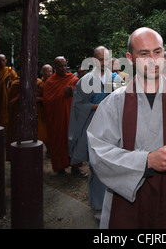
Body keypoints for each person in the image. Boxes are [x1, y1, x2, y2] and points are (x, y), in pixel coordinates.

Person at [86, 27, 166, 229]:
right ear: (130, 58)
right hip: (127, 194)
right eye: (144, 53)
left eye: (157, 52)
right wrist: (146, 161)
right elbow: (98, 151)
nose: (152, 60)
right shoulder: (114, 102)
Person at [69, 46, 123, 219]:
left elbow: (123, 103)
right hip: (92, 128)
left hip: (112, 128)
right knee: (96, 166)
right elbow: (78, 105)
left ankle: (114, 203)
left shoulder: (116, 79)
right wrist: (96, 107)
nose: (104, 62)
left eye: (106, 59)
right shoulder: (84, 81)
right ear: (93, 60)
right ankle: (99, 205)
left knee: (113, 165)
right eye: (100, 59)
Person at [43, 56, 86, 176]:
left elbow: (82, 96)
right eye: (60, 66)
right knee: (58, 142)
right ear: (55, 67)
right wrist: (63, 94)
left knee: (74, 141)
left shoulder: (73, 78)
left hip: (72, 117)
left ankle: (75, 167)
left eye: (64, 65)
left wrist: (74, 93)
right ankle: (60, 168)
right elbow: (47, 101)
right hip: (57, 119)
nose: (63, 68)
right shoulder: (50, 82)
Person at [0, 54, 18, 134]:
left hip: (8, 97)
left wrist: (9, 81)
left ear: (6, 61)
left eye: (3, 60)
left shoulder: (11, 72)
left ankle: (7, 132)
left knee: (7, 116)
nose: (1, 62)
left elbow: (16, 85)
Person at [37, 64, 53, 156]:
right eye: (47, 71)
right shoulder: (40, 83)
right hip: (42, 110)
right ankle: (48, 150)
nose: (49, 73)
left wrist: (41, 99)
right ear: (42, 72)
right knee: (44, 130)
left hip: (53, 110)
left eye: (50, 71)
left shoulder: (54, 82)